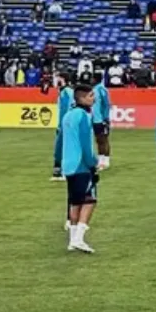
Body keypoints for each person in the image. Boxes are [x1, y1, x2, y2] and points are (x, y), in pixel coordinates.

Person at [61, 84, 99, 253]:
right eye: (91, 96)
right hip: (81, 165)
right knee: (90, 200)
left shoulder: (68, 115)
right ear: (82, 98)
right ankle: (79, 238)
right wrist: (93, 163)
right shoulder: (84, 116)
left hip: (68, 164)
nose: (94, 98)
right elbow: (85, 144)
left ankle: (72, 240)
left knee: (75, 202)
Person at [51, 73, 74, 181]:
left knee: (65, 148)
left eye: (58, 78)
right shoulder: (62, 92)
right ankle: (58, 172)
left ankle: (66, 172)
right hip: (61, 124)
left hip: (66, 124)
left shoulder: (68, 92)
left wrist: (67, 123)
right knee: (59, 149)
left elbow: (71, 107)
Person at [92, 74, 112, 169]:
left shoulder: (101, 89)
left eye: (92, 78)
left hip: (101, 119)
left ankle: (105, 161)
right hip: (95, 119)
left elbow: (106, 104)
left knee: (103, 139)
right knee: (98, 139)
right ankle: (101, 160)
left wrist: (105, 118)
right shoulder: (94, 89)